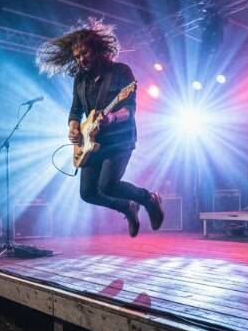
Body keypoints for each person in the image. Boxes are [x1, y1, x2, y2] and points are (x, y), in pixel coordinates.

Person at [36, 18, 164, 237]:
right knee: (87, 193)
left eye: (84, 53)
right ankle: (128, 208)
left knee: (107, 186)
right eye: (77, 57)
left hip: (119, 140)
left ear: (96, 49)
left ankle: (149, 199)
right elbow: (75, 109)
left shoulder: (121, 71)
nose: (81, 59)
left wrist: (112, 118)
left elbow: (130, 109)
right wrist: (74, 128)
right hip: (92, 142)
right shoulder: (80, 80)